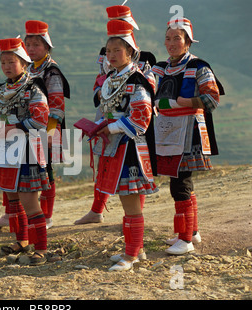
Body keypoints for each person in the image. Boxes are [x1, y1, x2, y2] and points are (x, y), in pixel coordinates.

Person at [75, 4, 156, 226]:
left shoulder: (144, 59)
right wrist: (103, 93)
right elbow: (98, 81)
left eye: (122, 23)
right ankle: (98, 210)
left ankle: (134, 222)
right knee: (107, 166)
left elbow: (149, 89)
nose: (110, 54)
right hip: (108, 112)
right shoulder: (106, 57)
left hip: (132, 119)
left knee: (131, 173)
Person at [151, 18, 224, 255]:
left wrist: (184, 101)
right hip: (167, 130)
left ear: (188, 42)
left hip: (189, 130)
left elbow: (212, 99)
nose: (171, 43)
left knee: (180, 182)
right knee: (182, 182)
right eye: (168, 38)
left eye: (177, 38)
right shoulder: (160, 68)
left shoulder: (199, 67)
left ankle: (185, 239)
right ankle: (191, 231)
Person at [0, 20, 70, 230]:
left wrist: (50, 133)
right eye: (28, 45)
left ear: (46, 46)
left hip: (43, 127)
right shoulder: (23, 72)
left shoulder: (51, 71)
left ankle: (46, 215)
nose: (32, 49)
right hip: (17, 133)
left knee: (44, 171)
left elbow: (56, 104)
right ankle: (13, 214)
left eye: (36, 45)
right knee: (12, 172)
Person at [93, 20, 157, 271]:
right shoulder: (111, 78)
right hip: (114, 146)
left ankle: (130, 256)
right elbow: (106, 109)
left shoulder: (136, 80)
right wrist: (98, 125)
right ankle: (135, 249)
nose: (111, 55)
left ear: (131, 52)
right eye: (108, 51)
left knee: (130, 202)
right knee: (126, 200)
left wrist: (111, 127)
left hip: (130, 148)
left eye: (117, 50)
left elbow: (142, 117)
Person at [0, 37, 50, 266]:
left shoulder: (33, 87)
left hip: (27, 150)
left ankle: (41, 248)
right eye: (3, 62)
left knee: (30, 201)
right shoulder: (1, 89)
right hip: (5, 148)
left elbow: (41, 119)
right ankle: (22, 240)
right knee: (12, 198)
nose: (6, 66)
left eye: (11, 62)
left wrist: (16, 128)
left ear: (24, 63)